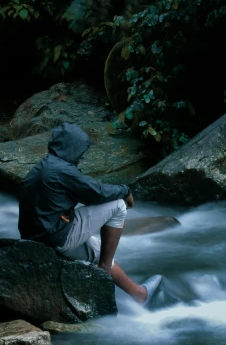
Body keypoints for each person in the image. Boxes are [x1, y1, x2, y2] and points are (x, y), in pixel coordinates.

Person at [18, 122, 162, 305]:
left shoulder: (42, 168)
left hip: (37, 238)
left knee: (98, 249)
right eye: (80, 151)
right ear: (72, 148)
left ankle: (138, 294)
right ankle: (104, 271)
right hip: (57, 237)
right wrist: (126, 191)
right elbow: (96, 193)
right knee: (118, 205)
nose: (81, 157)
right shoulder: (61, 170)